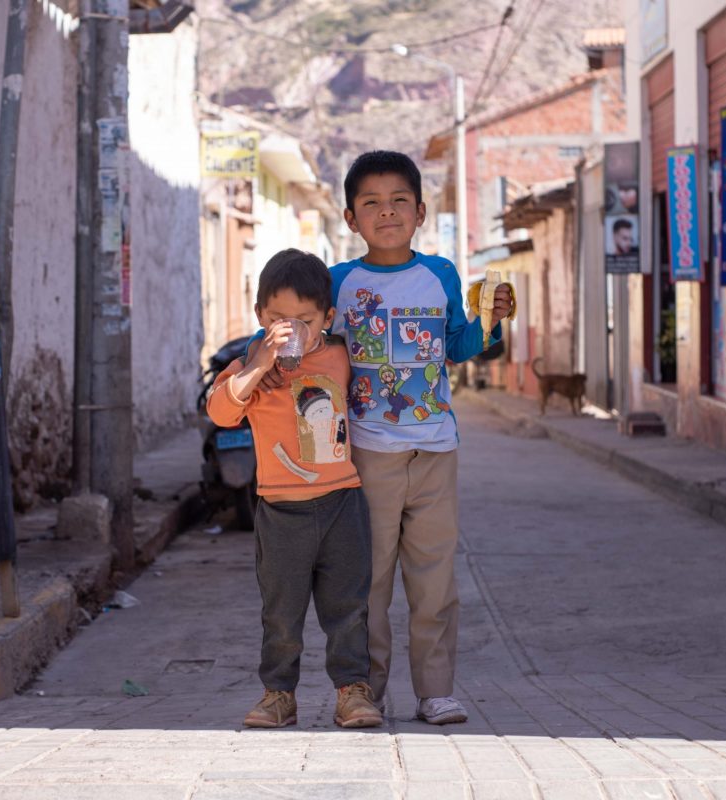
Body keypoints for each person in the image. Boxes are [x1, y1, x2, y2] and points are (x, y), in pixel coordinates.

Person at [253, 151, 513, 725]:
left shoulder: (440, 274)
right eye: (370, 202)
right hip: (366, 453)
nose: (386, 211)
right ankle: (364, 691)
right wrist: (267, 362)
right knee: (366, 581)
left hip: (436, 449)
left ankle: (435, 691)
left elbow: (457, 346)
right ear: (349, 218)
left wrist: (490, 324)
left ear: (420, 211)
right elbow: (293, 332)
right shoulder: (340, 284)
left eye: (399, 200)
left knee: (435, 578)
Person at [207, 248, 381, 730]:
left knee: (347, 605)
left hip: (342, 501)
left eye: (305, 319)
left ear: (327, 317)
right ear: (261, 316)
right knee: (281, 612)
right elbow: (221, 413)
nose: (293, 330)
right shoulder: (250, 364)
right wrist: (257, 366)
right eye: (279, 318)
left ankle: (352, 691)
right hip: (281, 511)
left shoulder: (341, 356)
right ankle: (278, 694)